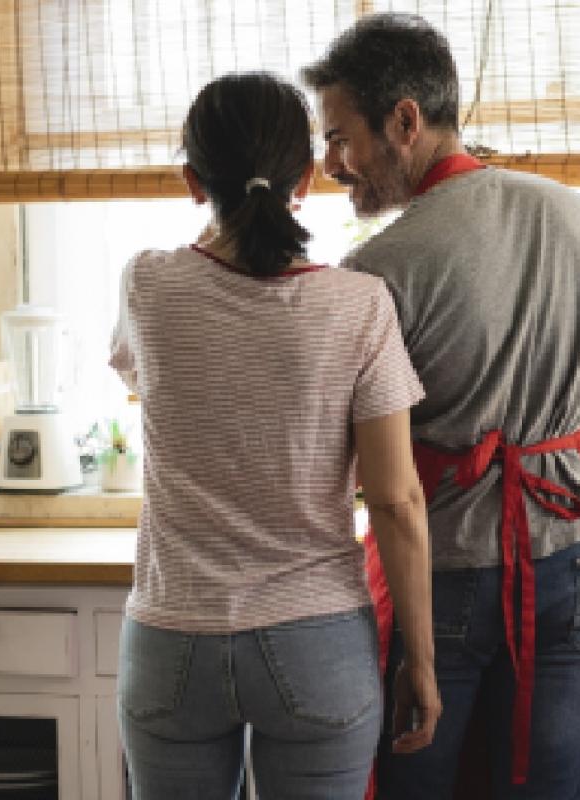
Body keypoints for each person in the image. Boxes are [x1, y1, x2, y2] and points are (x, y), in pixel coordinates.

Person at [302, 14, 580, 800]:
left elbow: (340, 457)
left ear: (403, 121)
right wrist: (526, 435)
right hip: (573, 558)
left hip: (445, 570)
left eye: (339, 137)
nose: (330, 165)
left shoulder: (378, 270)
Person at [108, 71, 442, 800]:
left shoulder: (148, 286)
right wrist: (420, 658)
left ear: (193, 182)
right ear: (308, 179)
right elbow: (395, 500)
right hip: (315, 639)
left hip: (172, 641)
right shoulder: (359, 306)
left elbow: (150, 383)